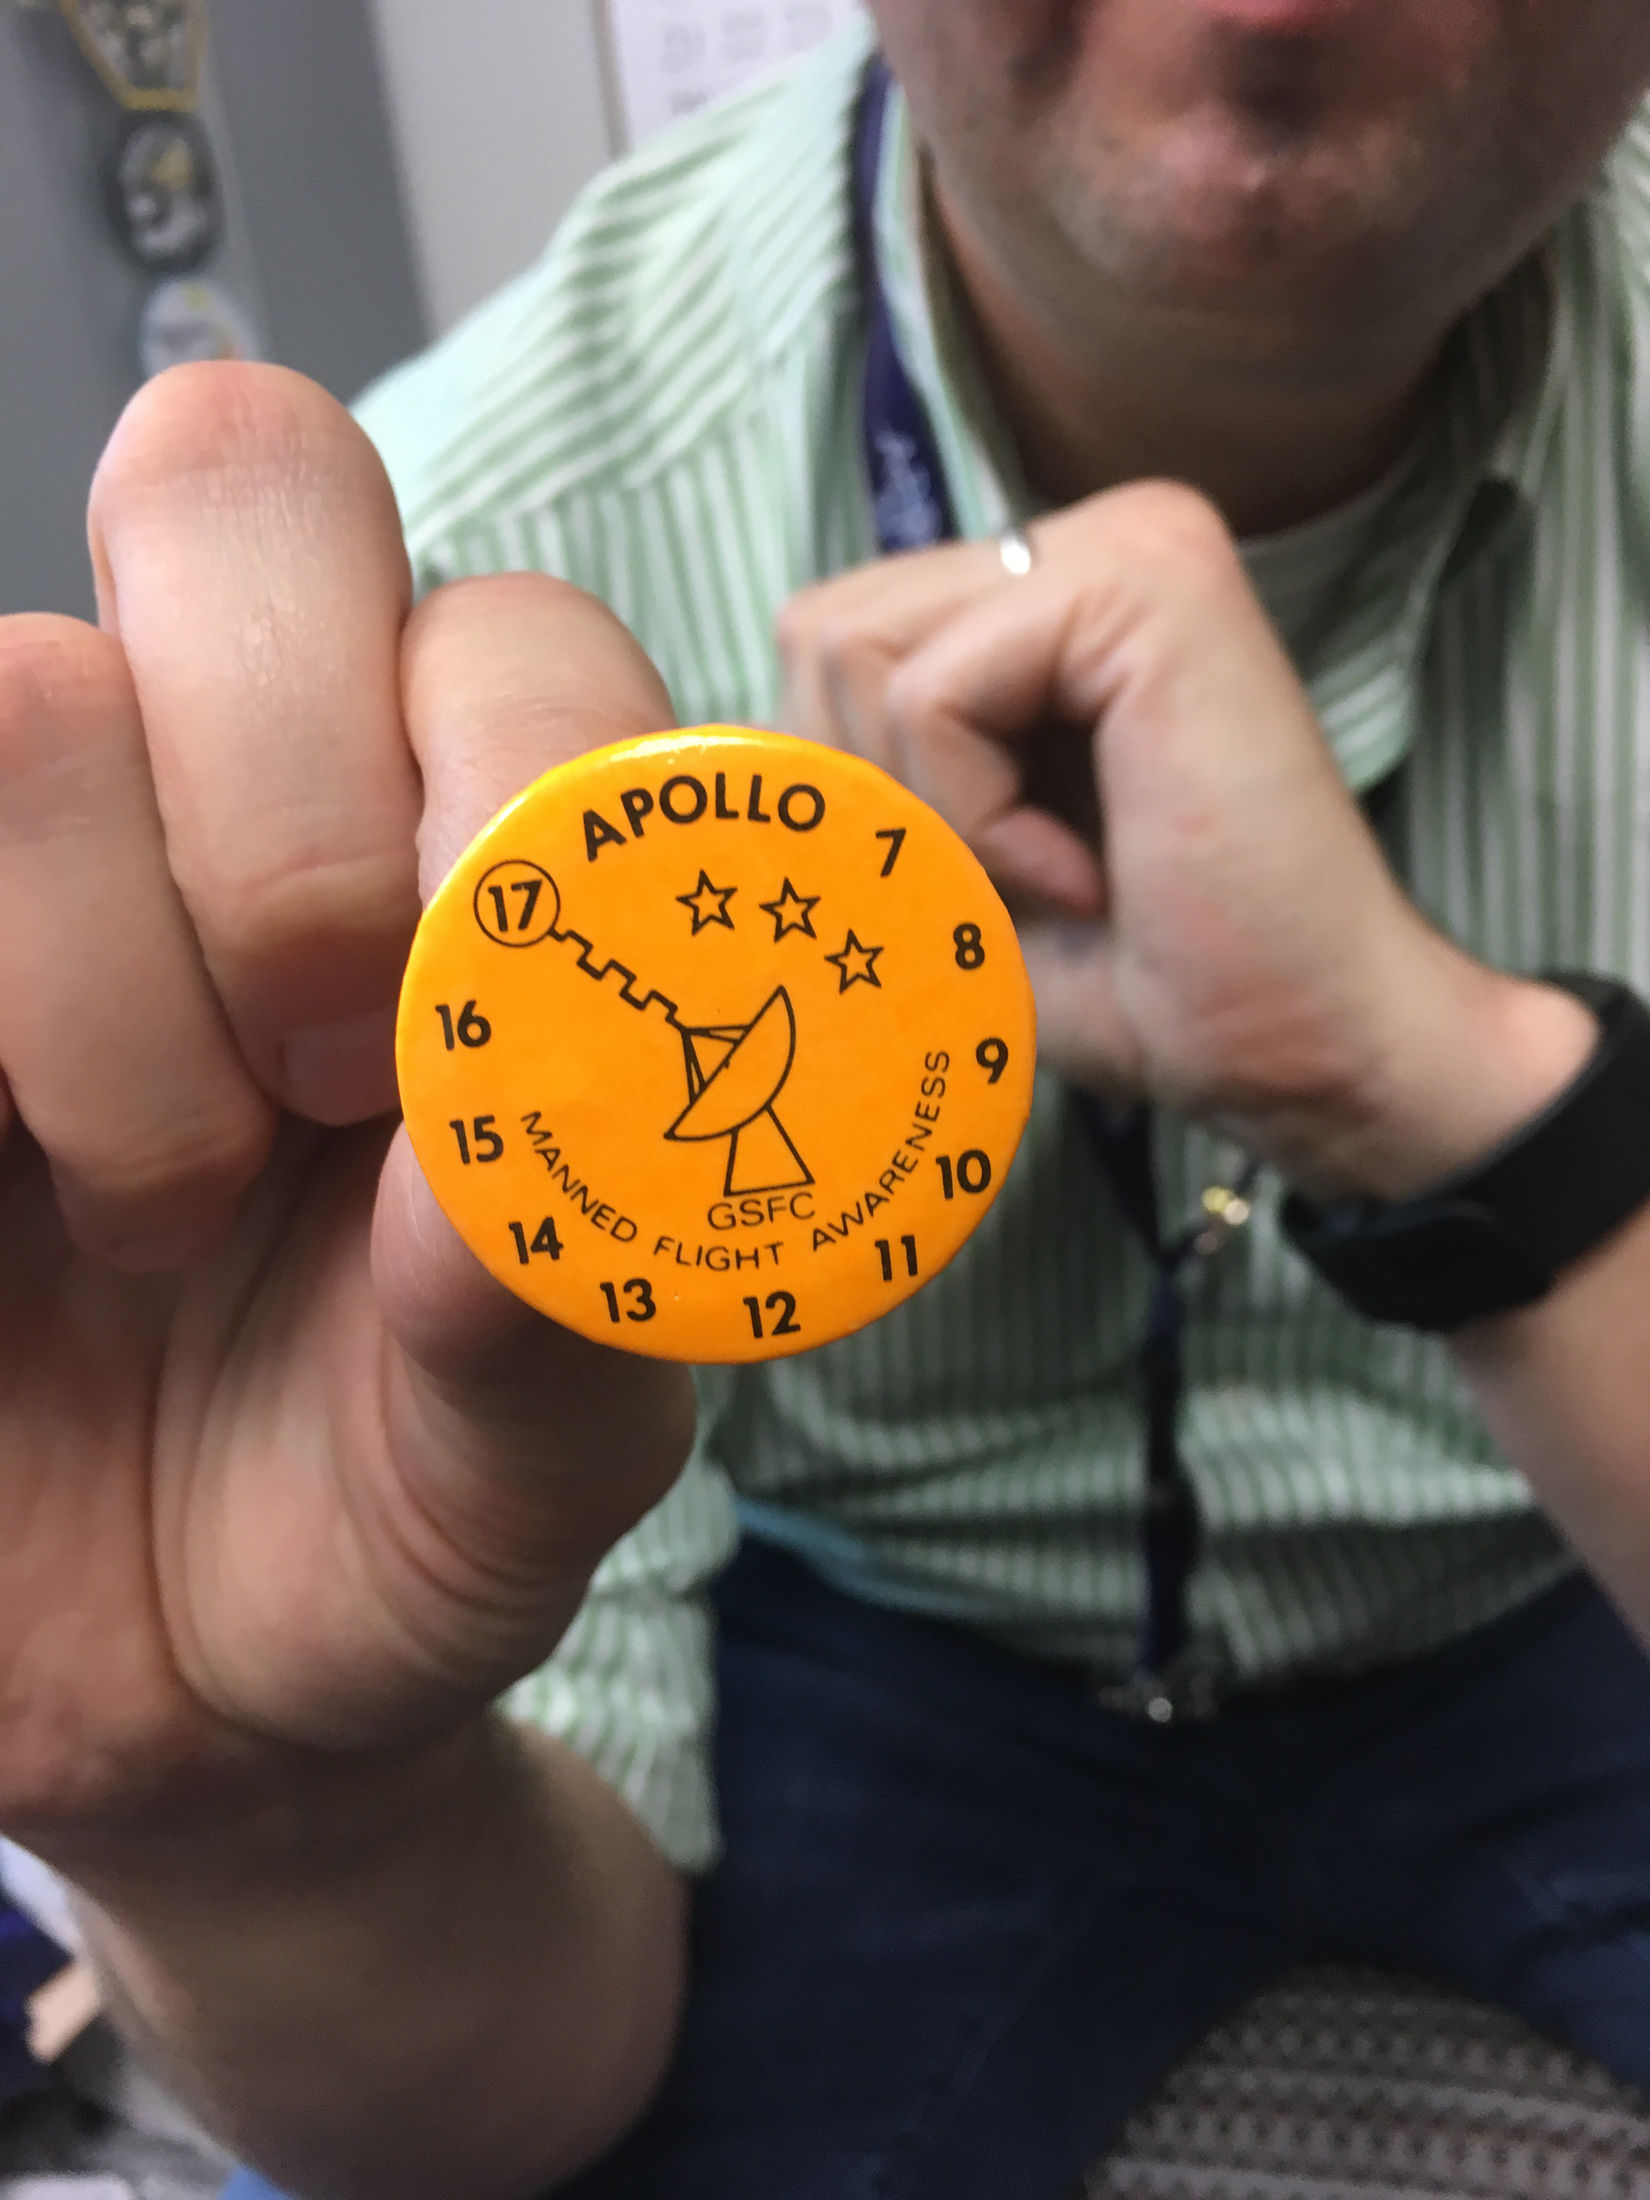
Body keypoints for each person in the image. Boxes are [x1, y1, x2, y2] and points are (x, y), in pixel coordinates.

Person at [5, 2, 1650, 2195]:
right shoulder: (454, 607)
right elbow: (493, 2101)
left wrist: (1448, 1094)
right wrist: (258, 1823)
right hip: (883, 1631)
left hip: (1554, 1567)